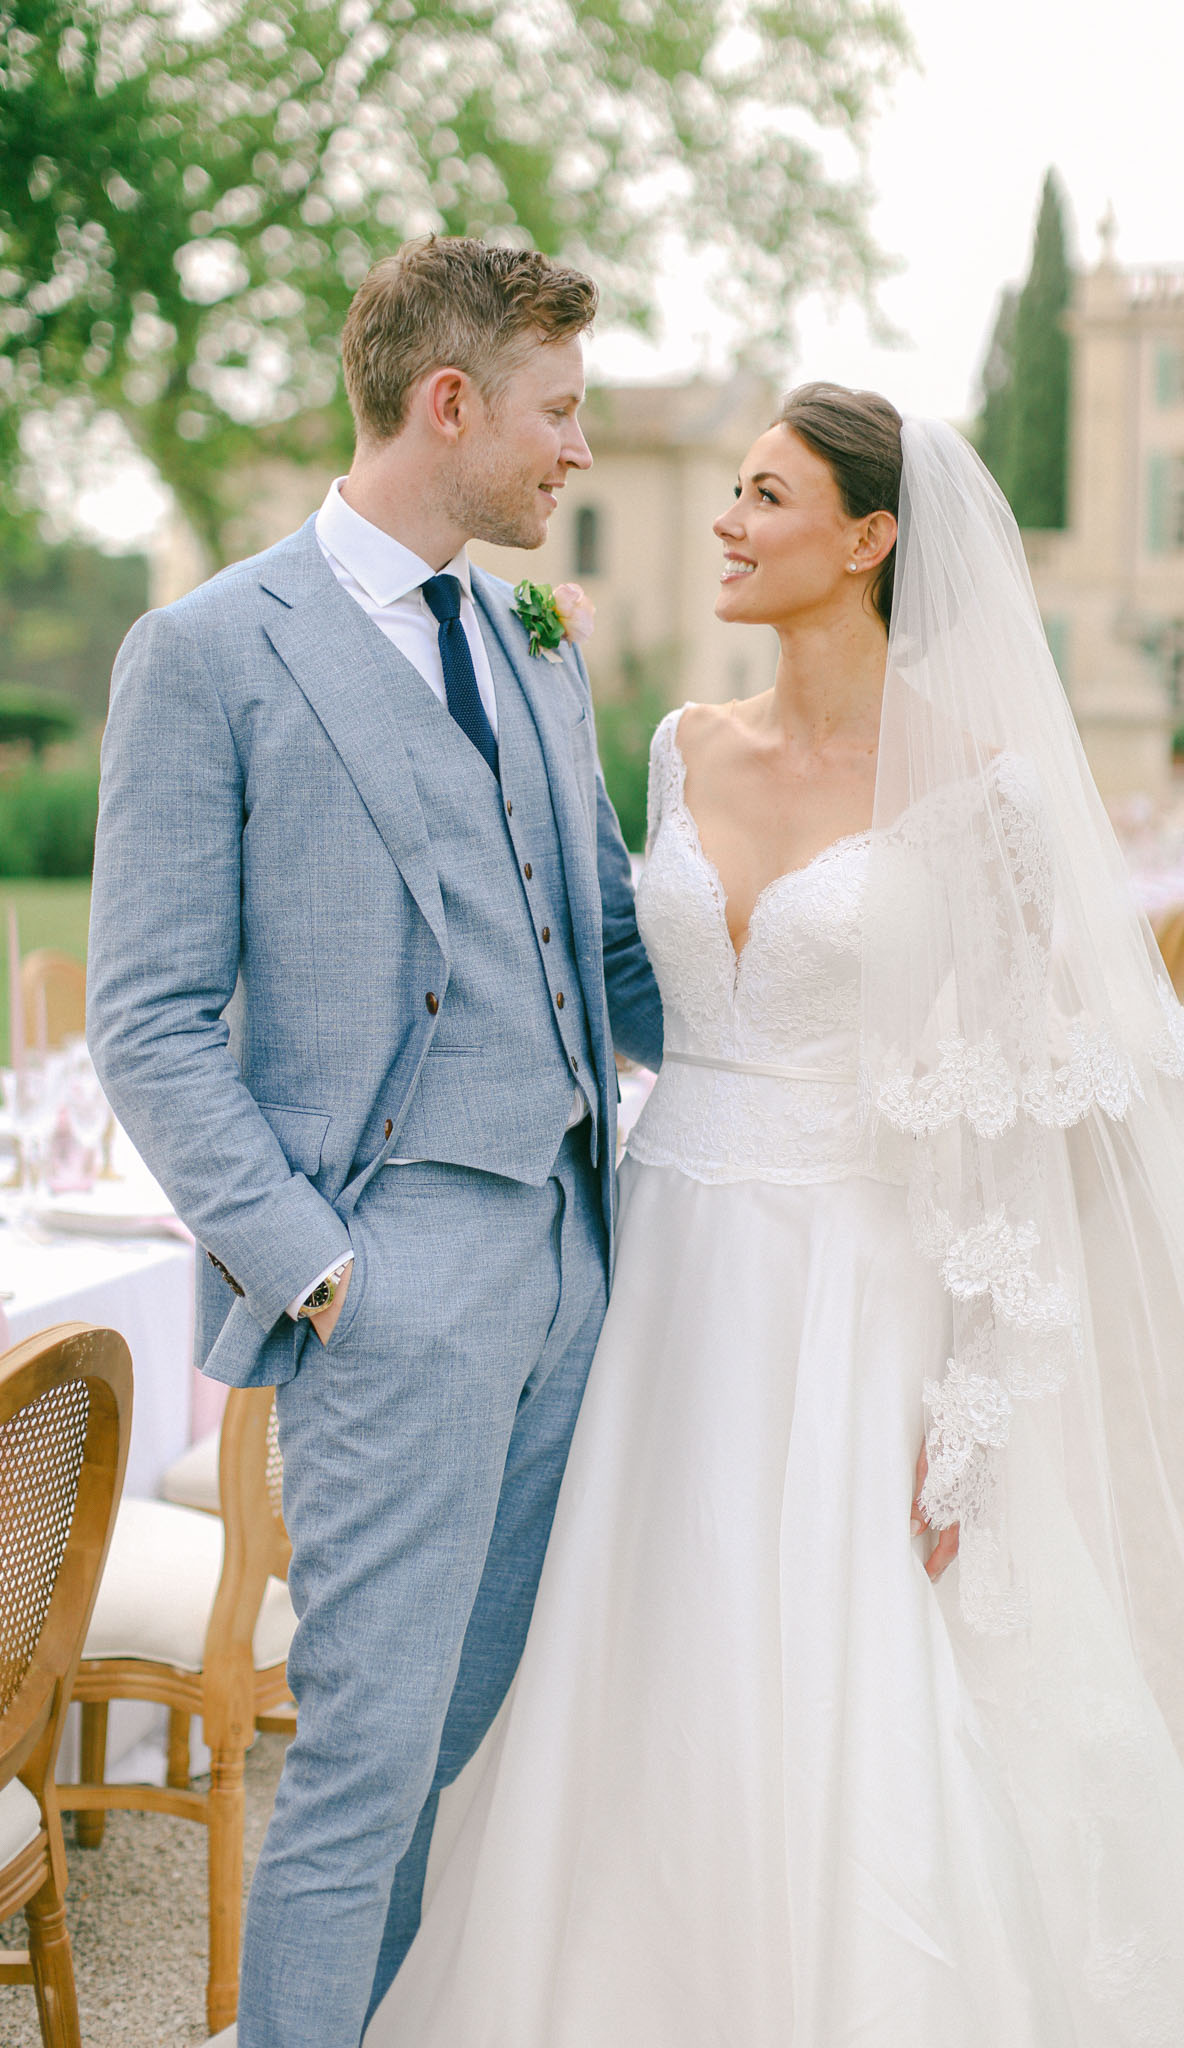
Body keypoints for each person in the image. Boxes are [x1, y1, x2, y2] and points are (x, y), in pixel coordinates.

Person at [367, 387, 1184, 2046]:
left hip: (855, 1277)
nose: (726, 523)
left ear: (869, 540)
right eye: (734, 492)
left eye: (765, 496)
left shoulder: (982, 794)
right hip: (668, 1263)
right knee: (648, 1632)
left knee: (850, 1664)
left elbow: (1014, 1121)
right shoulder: (682, 744)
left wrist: (969, 1408)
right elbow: (617, 982)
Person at [85, 235, 662, 2048]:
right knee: (358, 1770)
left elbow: (619, 957)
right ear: (448, 403)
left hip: (579, 1265)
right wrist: (324, 1265)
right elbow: (150, 1016)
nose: (577, 451)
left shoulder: (534, 645)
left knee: (476, 1752)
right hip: (392, 1289)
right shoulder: (206, 652)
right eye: (558, 413)